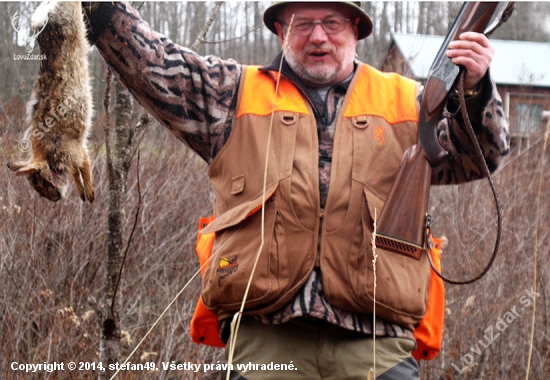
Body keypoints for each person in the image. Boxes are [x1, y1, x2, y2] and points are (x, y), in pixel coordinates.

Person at [84, 2, 509, 379]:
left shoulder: (408, 102)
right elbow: (154, 64)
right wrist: (97, 9)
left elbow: (481, 157)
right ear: (280, 31)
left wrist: (474, 88)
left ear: (356, 30)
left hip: (377, 346)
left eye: (332, 22)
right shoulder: (230, 95)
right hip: (265, 344)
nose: (318, 36)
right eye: (302, 23)